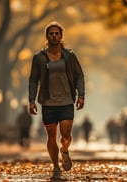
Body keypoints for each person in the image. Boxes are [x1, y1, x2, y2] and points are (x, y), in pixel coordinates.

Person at [28, 21, 85, 179]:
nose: (54, 36)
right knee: (51, 137)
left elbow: (79, 75)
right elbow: (33, 80)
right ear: (47, 36)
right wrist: (32, 100)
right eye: (51, 33)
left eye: (57, 33)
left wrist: (81, 95)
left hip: (66, 101)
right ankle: (55, 166)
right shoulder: (39, 58)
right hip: (48, 102)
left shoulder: (70, 56)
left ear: (61, 36)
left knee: (65, 136)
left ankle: (64, 151)